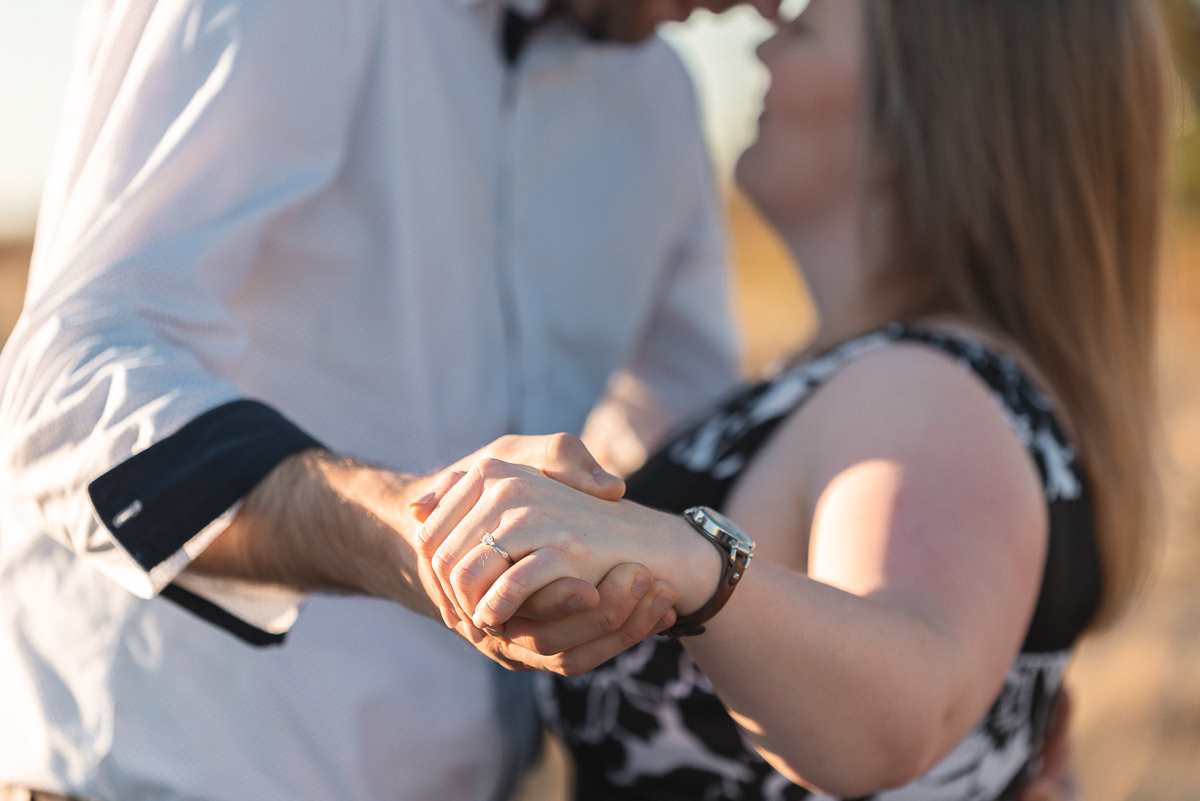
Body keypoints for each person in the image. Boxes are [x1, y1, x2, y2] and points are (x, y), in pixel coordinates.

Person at [0, 0, 773, 796]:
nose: (767, 10)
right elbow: (70, 388)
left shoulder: (659, 97)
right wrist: (408, 531)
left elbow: (685, 431)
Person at [418, 0, 1170, 798]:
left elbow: (896, 717)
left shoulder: (921, 393)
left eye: (804, 29)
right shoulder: (889, 379)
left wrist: (686, 557)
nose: (763, 44)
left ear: (921, 112)